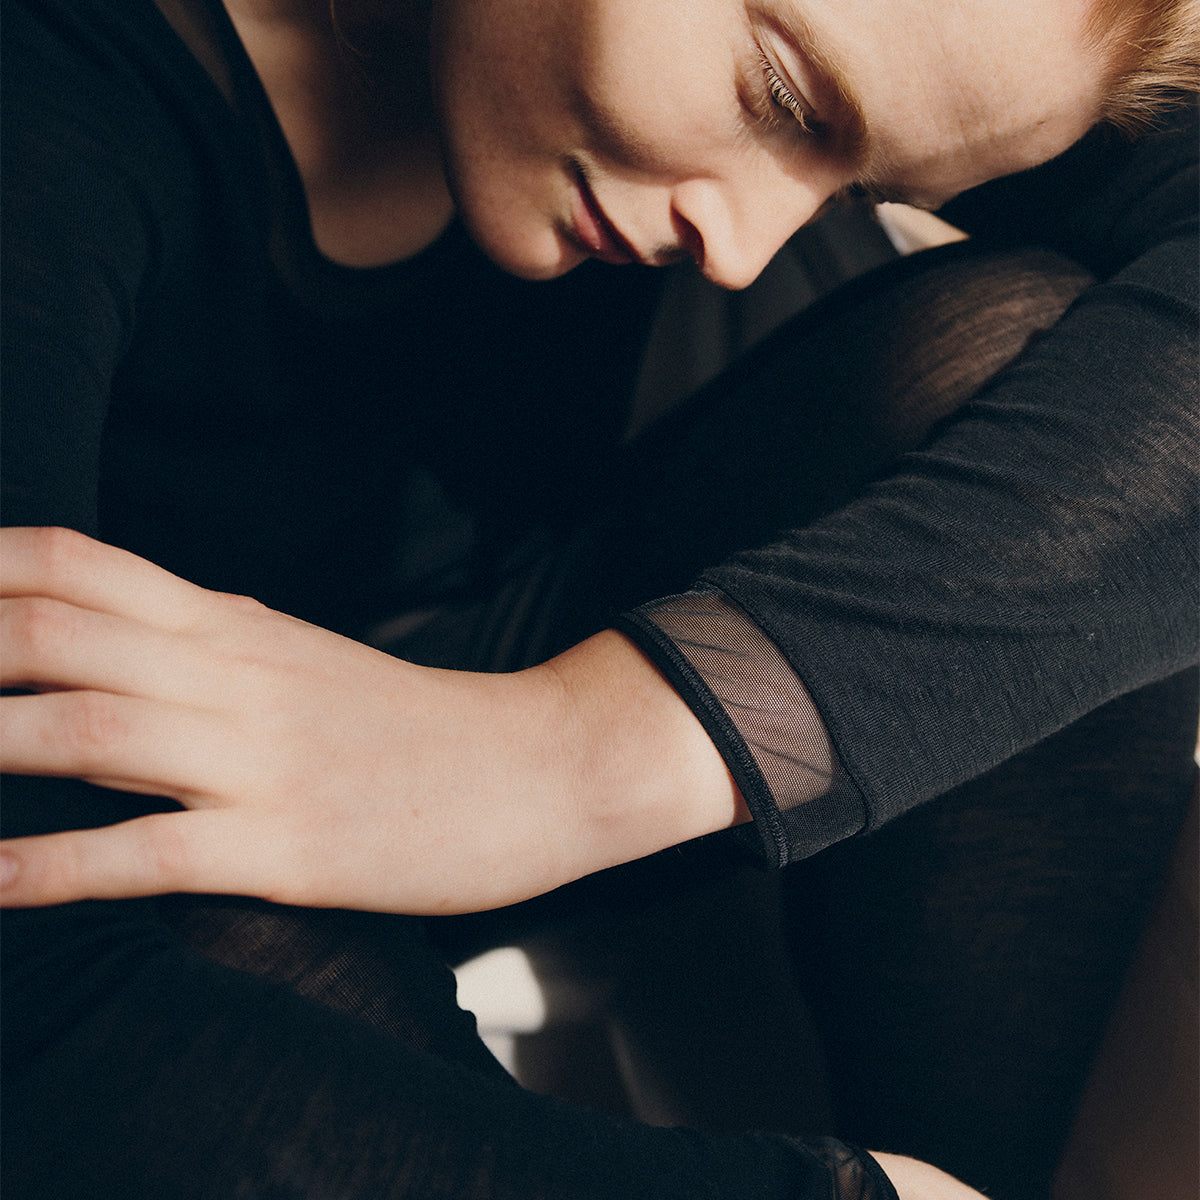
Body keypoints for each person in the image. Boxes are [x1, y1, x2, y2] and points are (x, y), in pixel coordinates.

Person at [1, 0, 1196, 1196]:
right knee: (211, 918)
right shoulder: (49, 106)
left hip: (508, 674)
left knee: (1021, 374)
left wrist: (577, 753)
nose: (742, 252)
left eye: (853, 194)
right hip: (116, 795)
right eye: (781, 98)